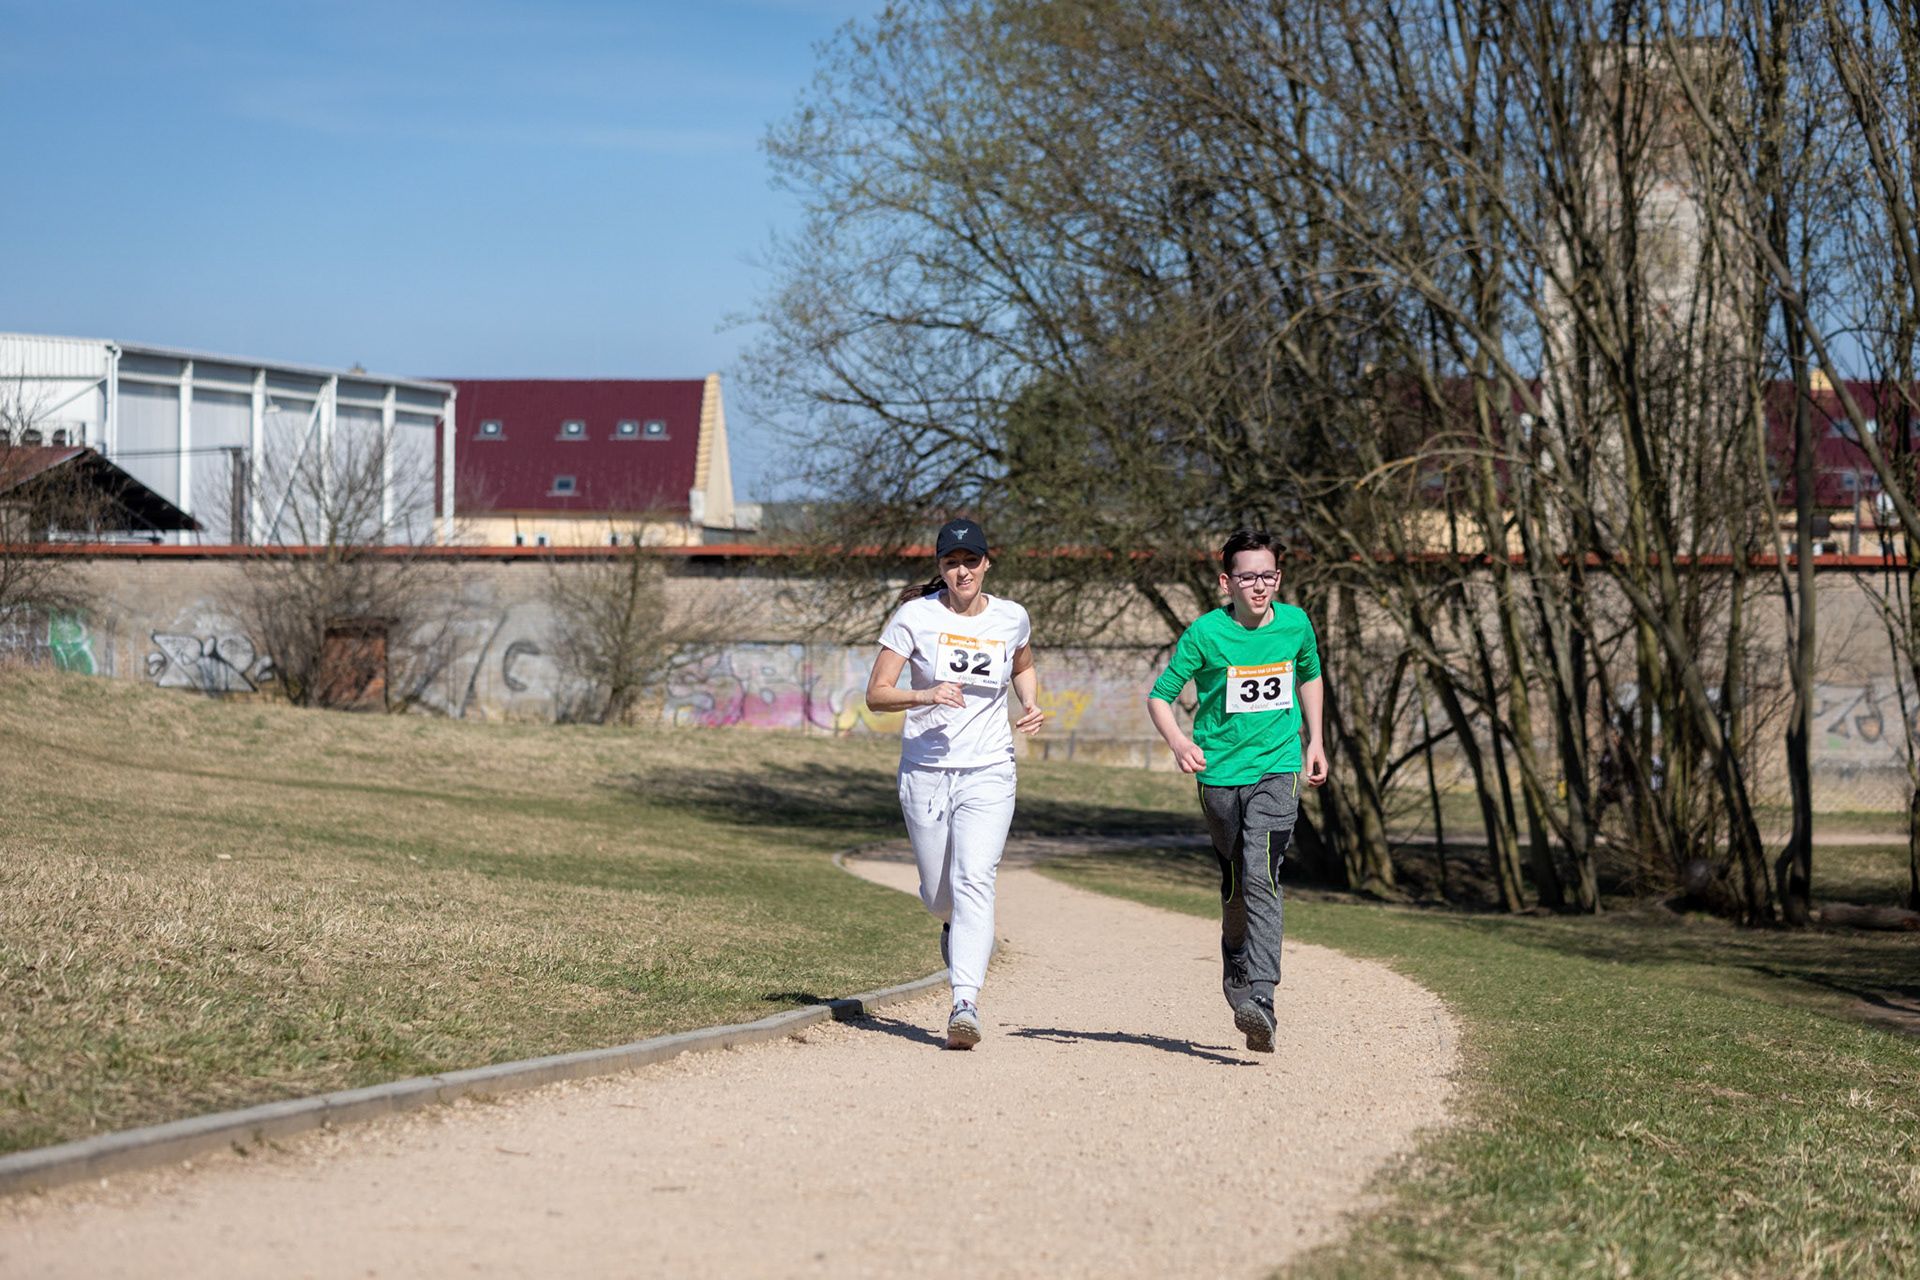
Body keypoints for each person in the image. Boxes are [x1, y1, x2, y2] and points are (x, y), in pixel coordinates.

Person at [1146, 528, 1327, 1054]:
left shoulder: (1295, 623)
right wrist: (1179, 741)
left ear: (1279, 578)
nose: (1259, 586)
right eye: (1248, 577)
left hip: (1278, 766)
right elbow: (1160, 696)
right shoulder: (1206, 634)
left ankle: (1262, 998)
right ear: (1227, 583)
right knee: (1235, 880)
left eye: (1268, 575)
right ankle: (1235, 950)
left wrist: (1315, 740)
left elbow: (1310, 674)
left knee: (1261, 873)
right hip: (1219, 774)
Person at [866, 519, 1044, 1049]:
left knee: (974, 881)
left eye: (971, 560)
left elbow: (1023, 663)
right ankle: (951, 925)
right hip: (925, 770)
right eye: (951, 562)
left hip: (989, 768)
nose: (962, 571)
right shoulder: (914, 617)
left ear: (987, 562)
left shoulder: (1012, 617)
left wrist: (1030, 702)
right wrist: (926, 695)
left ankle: (964, 1002)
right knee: (939, 895)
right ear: (940, 568)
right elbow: (877, 694)